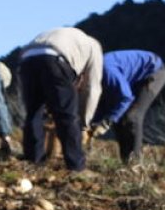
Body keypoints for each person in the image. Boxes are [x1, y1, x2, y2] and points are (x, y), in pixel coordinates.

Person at [18, 27, 103, 172]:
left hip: (27, 58)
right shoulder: (94, 47)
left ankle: (34, 161)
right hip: (55, 59)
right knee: (67, 116)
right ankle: (76, 166)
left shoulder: (70, 38)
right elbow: (92, 88)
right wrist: (84, 124)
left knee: (34, 112)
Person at [90, 50, 165, 163]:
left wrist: (106, 122)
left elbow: (126, 97)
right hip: (131, 80)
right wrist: (93, 124)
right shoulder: (94, 78)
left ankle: (135, 162)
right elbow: (103, 106)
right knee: (119, 119)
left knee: (133, 116)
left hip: (153, 72)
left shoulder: (106, 71)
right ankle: (126, 161)